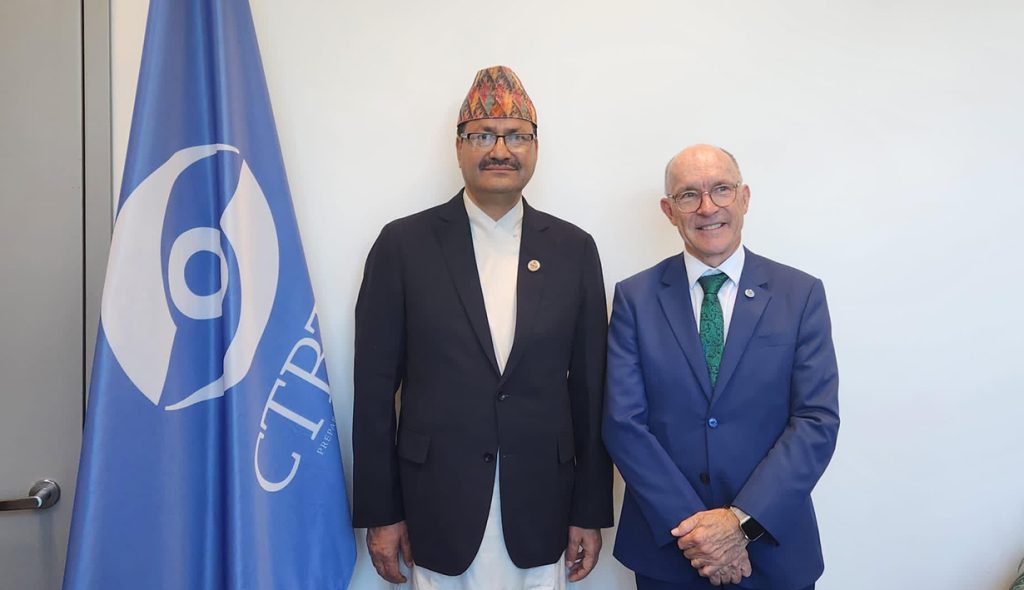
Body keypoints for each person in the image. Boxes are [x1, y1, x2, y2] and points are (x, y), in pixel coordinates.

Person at [352, 65, 613, 589]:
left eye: (516, 135)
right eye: (483, 135)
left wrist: (589, 509)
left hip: (542, 503)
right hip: (435, 503)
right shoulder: (403, 245)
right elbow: (375, 390)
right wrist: (381, 511)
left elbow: (591, 391)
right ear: (458, 146)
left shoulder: (574, 249)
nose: (500, 150)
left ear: (535, 147)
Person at [602, 144, 839, 590]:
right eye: (688, 195)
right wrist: (700, 535)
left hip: (774, 548)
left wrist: (739, 524)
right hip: (670, 552)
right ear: (669, 211)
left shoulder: (800, 294)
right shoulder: (635, 298)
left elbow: (816, 421)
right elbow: (623, 424)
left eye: (721, 190)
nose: (707, 207)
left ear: (744, 198)